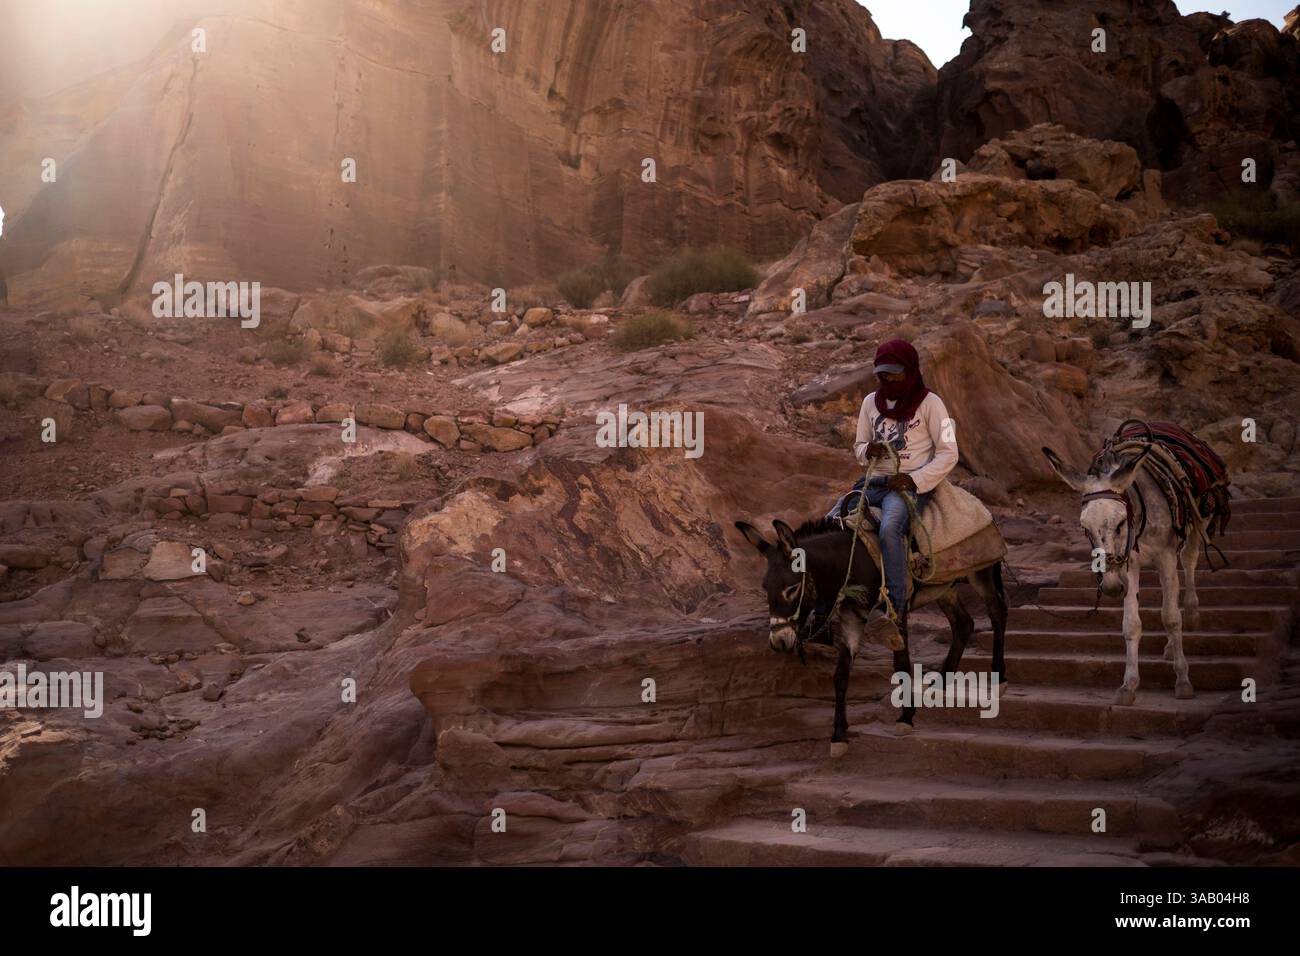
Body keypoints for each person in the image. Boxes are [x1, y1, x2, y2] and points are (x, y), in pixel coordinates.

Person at [817, 339, 958, 640]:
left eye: (895, 374)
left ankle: (894, 607)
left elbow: (950, 453)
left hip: (908, 486)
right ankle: (823, 606)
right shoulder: (870, 402)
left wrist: (914, 480)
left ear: (910, 371)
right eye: (884, 375)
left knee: (890, 528)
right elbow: (857, 446)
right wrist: (868, 451)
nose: (889, 381)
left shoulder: (933, 404)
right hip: (873, 483)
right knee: (828, 523)